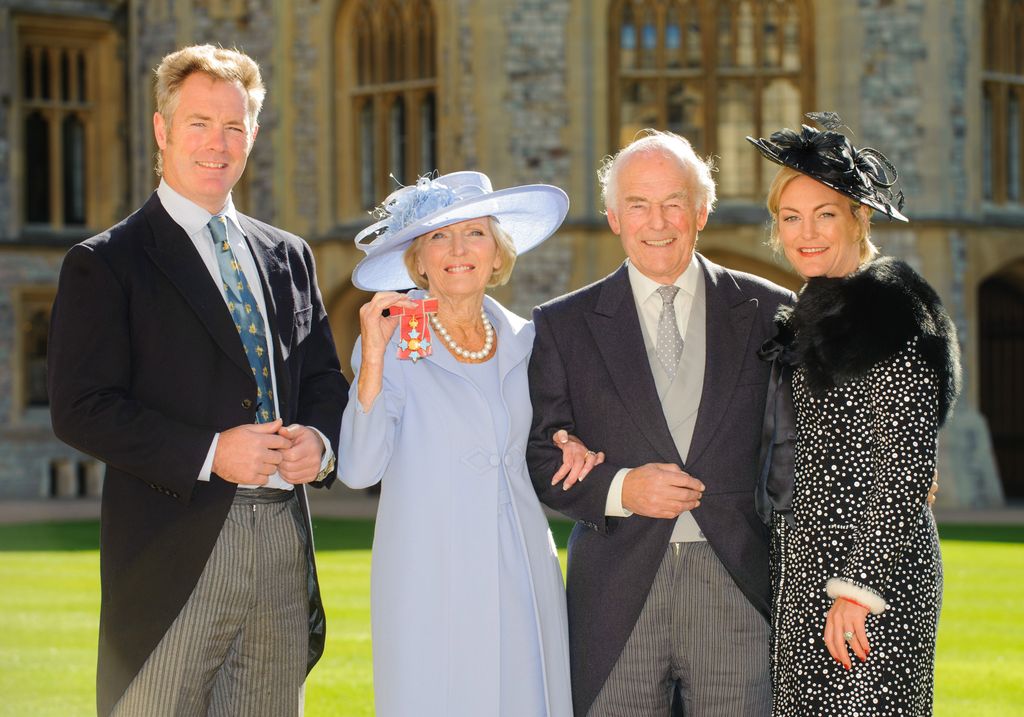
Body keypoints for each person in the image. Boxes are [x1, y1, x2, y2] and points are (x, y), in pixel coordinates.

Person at [47, 45, 348, 716]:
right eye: (199, 123)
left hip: (280, 543)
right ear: (162, 130)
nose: (218, 143)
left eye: (234, 126)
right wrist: (212, 451)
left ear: (253, 134)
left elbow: (326, 377)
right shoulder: (107, 262)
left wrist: (320, 443)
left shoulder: (288, 255)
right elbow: (79, 407)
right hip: (172, 549)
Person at [526, 130, 795, 716]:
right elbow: (542, 459)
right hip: (617, 587)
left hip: (738, 584)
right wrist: (623, 488)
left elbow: (804, 446)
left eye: (673, 202)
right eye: (638, 205)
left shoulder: (773, 312)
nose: (658, 221)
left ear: (702, 211)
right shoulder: (562, 325)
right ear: (613, 217)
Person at [338, 171, 598, 716]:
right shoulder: (389, 346)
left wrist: (572, 442)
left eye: (475, 234)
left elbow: (550, 438)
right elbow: (360, 470)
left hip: (520, 562)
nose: (458, 250)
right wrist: (374, 362)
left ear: (497, 255)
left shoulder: (529, 341)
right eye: (438, 236)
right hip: (429, 569)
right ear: (418, 260)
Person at [748, 113, 961, 715]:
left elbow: (905, 460)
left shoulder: (889, 307)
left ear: (860, 218)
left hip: (871, 577)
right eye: (791, 217)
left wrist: (858, 590)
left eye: (825, 214)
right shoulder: (821, 306)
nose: (805, 233)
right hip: (808, 563)